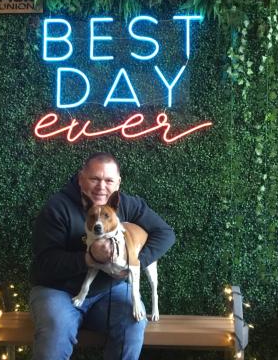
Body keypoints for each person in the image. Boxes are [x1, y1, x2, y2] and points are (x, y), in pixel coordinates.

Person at [29, 152, 175, 360]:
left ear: (118, 183)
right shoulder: (57, 208)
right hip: (58, 290)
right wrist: (89, 259)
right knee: (56, 330)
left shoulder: (124, 204)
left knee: (133, 322)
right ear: (81, 178)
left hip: (109, 290)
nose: (101, 187)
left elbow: (165, 234)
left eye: (109, 180)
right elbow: (44, 263)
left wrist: (134, 264)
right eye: (95, 179)